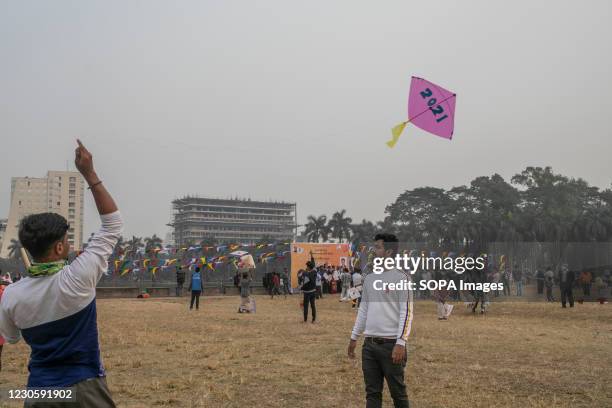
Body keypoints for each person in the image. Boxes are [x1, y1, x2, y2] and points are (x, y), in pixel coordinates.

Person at [0, 140, 120, 407]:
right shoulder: (78, 278)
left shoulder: (11, 294)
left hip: (39, 392)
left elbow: (11, 338)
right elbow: (112, 224)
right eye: (67, 240)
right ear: (58, 247)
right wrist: (89, 173)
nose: (70, 244)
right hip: (85, 388)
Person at [348, 233, 412, 408]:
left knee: (398, 394)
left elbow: (406, 313)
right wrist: (354, 337)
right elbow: (363, 309)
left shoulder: (401, 278)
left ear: (389, 251)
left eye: (378, 247)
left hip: (391, 345)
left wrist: (401, 342)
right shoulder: (369, 278)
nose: (373, 250)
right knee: (372, 394)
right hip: (369, 346)